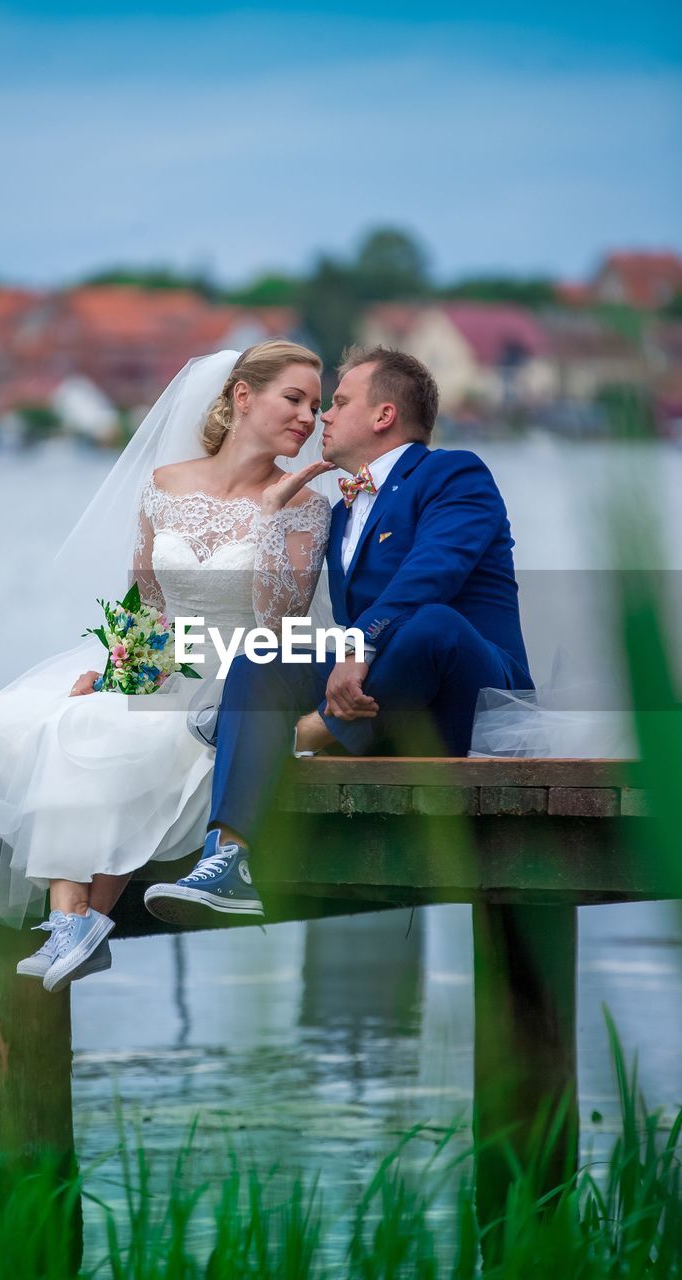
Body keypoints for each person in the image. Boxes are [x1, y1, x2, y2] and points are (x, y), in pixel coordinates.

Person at [0, 341, 333, 991]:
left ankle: (84, 922)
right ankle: (70, 923)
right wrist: (119, 674)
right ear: (243, 397)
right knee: (77, 720)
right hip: (163, 667)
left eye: (317, 404)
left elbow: (282, 628)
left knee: (128, 739)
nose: (309, 417)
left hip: (238, 683)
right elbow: (150, 602)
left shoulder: (307, 506)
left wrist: (274, 521)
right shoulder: (165, 485)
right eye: (294, 398)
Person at [143, 345, 534, 927]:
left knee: (433, 621)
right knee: (264, 654)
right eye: (309, 402)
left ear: (383, 416)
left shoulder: (455, 474)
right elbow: (191, 609)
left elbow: (434, 571)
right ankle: (227, 860)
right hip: (384, 703)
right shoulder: (343, 508)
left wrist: (355, 646)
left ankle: (307, 732)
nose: (321, 417)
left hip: (469, 694)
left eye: (338, 402)